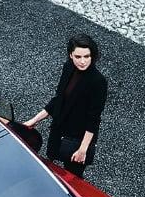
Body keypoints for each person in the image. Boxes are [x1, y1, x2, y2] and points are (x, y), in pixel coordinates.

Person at [23, 34, 108, 178]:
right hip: (60, 130)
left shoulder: (98, 81)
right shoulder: (68, 67)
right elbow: (59, 99)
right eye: (78, 57)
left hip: (77, 139)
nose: (83, 61)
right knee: (51, 169)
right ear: (71, 55)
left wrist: (83, 149)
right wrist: (34, 120)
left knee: (73, 177)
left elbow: (94, 119)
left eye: (87, 56)